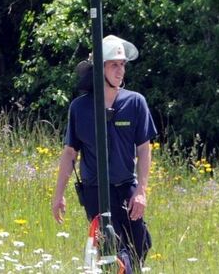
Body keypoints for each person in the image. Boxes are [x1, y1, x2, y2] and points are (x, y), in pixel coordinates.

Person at [51, 35, 156, 270]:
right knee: (112, 249)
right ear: (100, 70)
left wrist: (141, 191)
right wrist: (58, 195)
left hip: (126, 186)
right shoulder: (80, 108)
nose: (120, 71)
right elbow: (70, 153)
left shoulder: (136, 102)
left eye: (123, 65)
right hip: (96, 190)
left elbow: (144, 148)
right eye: (114, 65)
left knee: (141, 244)